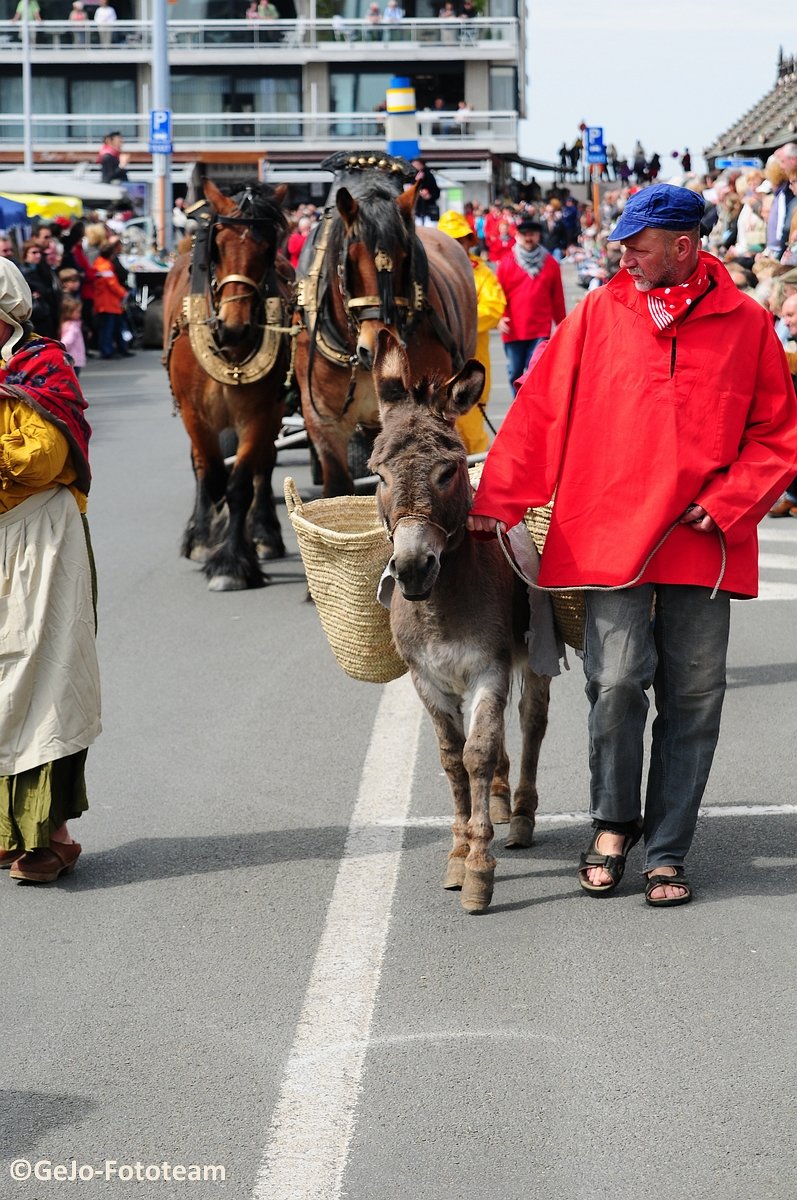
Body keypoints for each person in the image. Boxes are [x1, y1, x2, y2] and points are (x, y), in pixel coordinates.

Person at [467, 183, 797, 906]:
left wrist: (730, 500)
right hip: (608, 532)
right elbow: (540, 410)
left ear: (683, 246)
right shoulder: (596, 314)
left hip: (702, 540)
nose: (622, 255)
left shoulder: (746, 324)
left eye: (635, 244)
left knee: (694, 695)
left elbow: (776, 436)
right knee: (615, 682)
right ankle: (613, 823)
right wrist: (496, 502)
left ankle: (668, 848)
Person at [0, 259, 100, 884]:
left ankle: (50, 835)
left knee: (42, 679)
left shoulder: (43, 365)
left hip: (38, 536)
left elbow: (37, 460)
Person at [437, 209, 506, 453]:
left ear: (468, 241)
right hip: (434, 370)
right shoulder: (427, 274)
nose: (455, 245)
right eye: (449, 240)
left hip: (470, 368)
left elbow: (494, 308)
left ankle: (477, 484)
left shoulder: (482, 273)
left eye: (460, 240)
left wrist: (457, 319)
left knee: (471, 433)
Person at [495, 216, 565, 391]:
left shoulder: (551, 264)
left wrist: (563, 326)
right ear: (517, 236)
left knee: (535, 374)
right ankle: (518, 410)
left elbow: (558, 298)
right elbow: (497, 295)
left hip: (540, 329)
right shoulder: (506, 263)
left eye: (532, 234)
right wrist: (498, 318)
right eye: (525, 234)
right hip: (513, 329)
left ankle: (530, 411)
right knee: (515, 373)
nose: (528, 238)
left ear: (538, 236)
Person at [93, 237, 131, 360]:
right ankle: (107, 351)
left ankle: (117, 348)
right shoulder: (105, 267)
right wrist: (124, 293)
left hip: (107, 303)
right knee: (107, 329)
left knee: (111, 328)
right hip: (107, 303)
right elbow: (113, 284)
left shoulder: (99, 263)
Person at [411, 158, 440, 226]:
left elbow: (436, 192)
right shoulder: (410, 177)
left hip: (428, 211)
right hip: (416, 211)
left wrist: (429, 196)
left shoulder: (429, 176)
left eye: (417, 164)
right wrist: (416, 181)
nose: (415, 166)